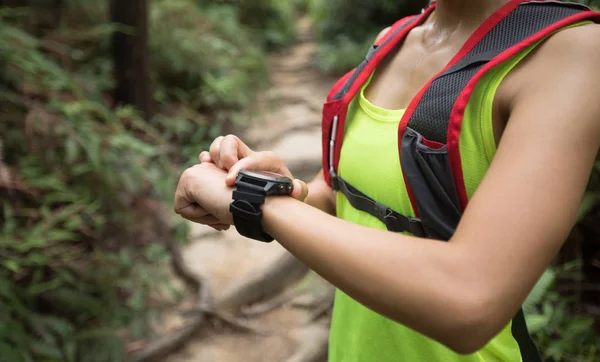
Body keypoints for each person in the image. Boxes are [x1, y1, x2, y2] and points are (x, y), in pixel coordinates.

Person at [173, 0, 600, 360]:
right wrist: (287, 190)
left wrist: (257, 201)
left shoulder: (570, 55)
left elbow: (471, 300)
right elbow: (336, 196)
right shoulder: (392, 40)